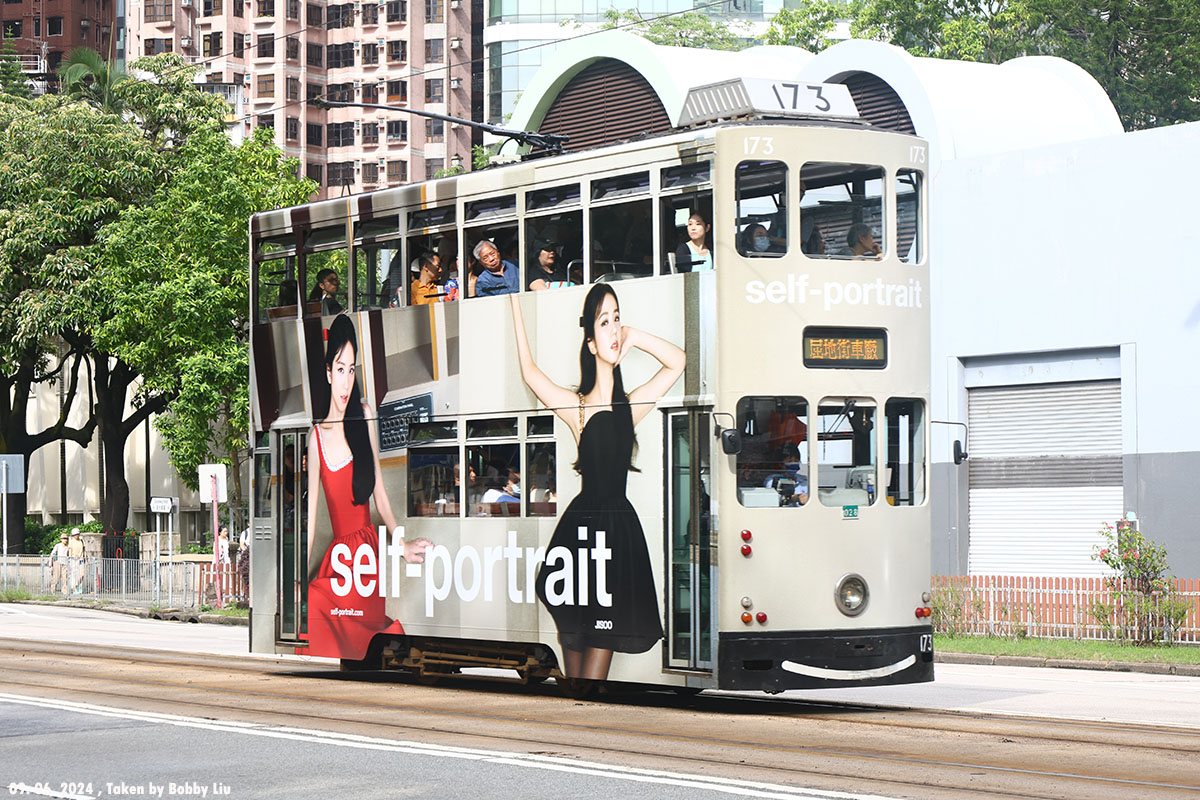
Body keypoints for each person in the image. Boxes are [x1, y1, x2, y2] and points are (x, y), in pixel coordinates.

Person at [510, 286, 685, 681]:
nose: (614, 329)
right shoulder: (578, 408)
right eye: (604, 322)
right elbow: (531, 373)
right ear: (590, 343)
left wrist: (633, 335)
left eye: (617, 318)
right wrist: (515, 303)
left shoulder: (630, 407)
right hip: (580, 537)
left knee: (593, 676)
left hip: (617, 541)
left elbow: (678, 362)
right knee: (577, 676)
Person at [307, 314, 430, 657]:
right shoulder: (315, 438)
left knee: (358, 633)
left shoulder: (363, 416)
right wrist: (300, 571)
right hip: (338, 559)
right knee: (319, 605)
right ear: (328, 373)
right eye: (340, 369)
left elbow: (380, 494)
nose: (346, 381)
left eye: (352, 369)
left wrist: (402, 545)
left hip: (364, 555)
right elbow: (311, 518)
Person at [68, 529, 85, 595]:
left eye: (77, 534)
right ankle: (74, 588)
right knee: (74, 574)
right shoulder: (72, 542)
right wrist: (70, 558)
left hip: (81, 559)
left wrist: (86, 559)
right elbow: (70, 550)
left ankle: (77, 585)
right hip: (74, 559)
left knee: (82, 574)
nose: (76, 536)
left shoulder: (81, 541)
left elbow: (84, 550)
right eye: (75, 535)